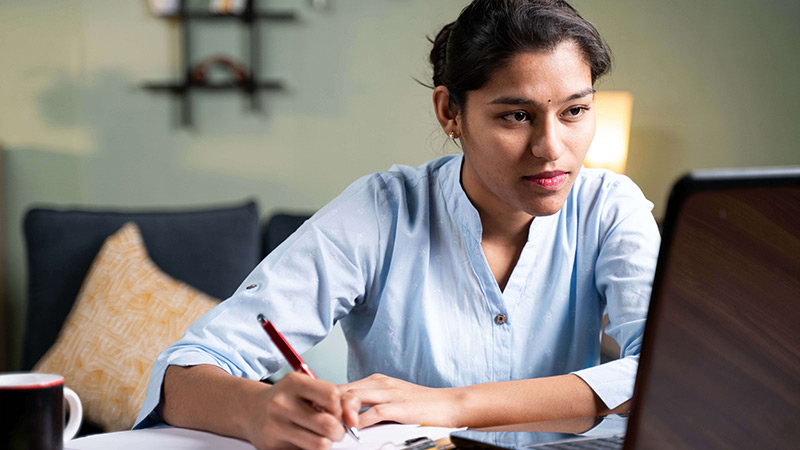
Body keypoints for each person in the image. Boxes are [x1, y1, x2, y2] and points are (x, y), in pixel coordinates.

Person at [135, 1, 661, 449]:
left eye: (574, 111)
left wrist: (451, 406)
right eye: (516, 116)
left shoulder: (611, 207)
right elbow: (185, 372)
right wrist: (259, 409)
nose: (551, 148)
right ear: (449, 112)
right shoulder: (380, 211)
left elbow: (663, 378)